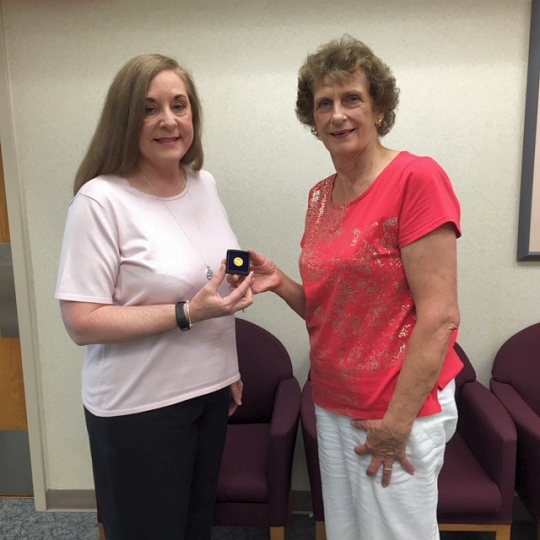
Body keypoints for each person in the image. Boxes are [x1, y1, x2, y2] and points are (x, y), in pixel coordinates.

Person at [237, 36, 462, 540]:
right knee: (344, 533)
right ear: (312, 120)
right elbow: (332, 309)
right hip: (333, 401)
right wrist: (281, 284)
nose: (337, 114)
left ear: (378, 108)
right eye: (324, 103)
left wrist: (396, 425)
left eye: (351, 99)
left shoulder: (416, 178)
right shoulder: (320, 197)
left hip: (395, 407)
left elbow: (441, 317)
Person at [55, 54, 253, 540]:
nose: (168, 120)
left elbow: (209, 275)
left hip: (207, 395)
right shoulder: (100, 201)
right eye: (149, 109)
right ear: (125, 120)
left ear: (193, 115)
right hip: (137, 408)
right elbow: (82, 321)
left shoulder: (204, 184)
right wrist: (186, 314)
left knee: (193, 528)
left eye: (179, 105)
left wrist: (227, 368)